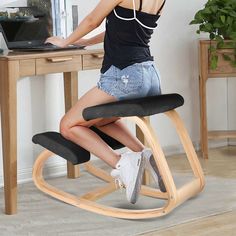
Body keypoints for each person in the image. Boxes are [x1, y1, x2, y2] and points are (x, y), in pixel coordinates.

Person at [45, 0, 166, 204]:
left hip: (125, 76)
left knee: (67, 125)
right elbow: (122, 30)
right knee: (102, 120)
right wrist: (83, 42)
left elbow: (92, 20)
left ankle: (121, 164)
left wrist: (64, 42)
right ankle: (143, 153)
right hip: (150, 75)